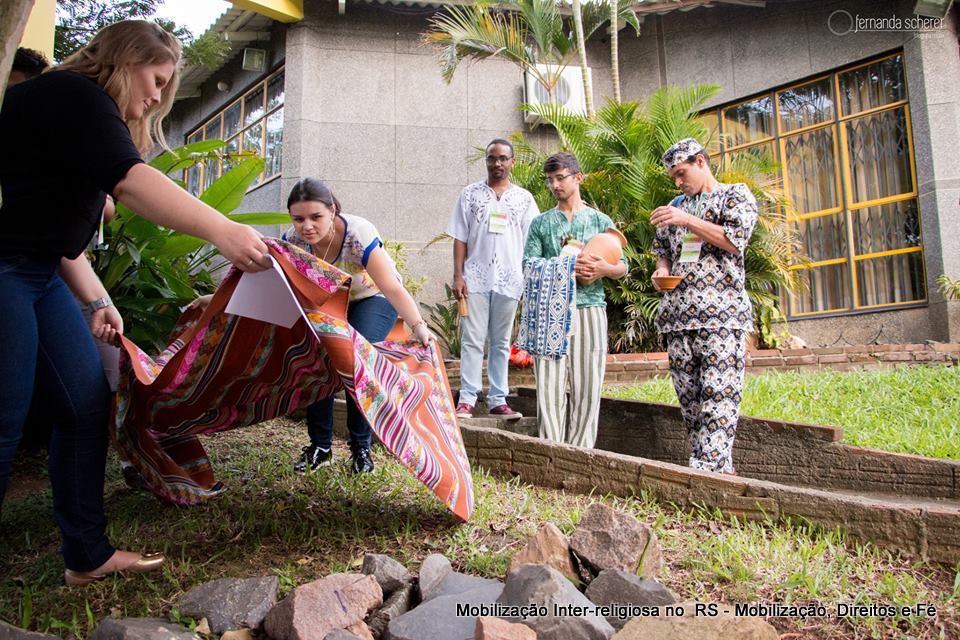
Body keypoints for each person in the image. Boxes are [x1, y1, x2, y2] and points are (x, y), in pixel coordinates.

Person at [0, 20, 271, 587]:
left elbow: (51, 234)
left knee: (85, 406)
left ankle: (86, 555)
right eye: (156, 80)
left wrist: (96, 298)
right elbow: (129, 181)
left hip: (42, 273)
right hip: (8, 269)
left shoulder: (78, 110)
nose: (156, 97)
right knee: (5, 417)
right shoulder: (75, 93)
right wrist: (222, 230)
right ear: (125, 60)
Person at [281, 178, 435, 473]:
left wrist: (418, 325)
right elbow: (271, 283)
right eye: (299, 219)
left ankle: (361, 449)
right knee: (319, 358)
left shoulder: (358, 233)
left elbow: (391, 287)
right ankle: (320, 446)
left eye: (316, 217)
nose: (307, 226)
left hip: (373, 298)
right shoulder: (293, 241)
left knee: (356, 359)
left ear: (333, 210)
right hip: (329, 303)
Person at [651, 138, 758, 474]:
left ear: (700, 162)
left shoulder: (734, 195)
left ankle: (711, 471)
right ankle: (706, 469)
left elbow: (734, 240)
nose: (678, 183)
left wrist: (687, 220)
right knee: (691, 404)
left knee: (719, 398)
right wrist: (661, 271)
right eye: (673, 177)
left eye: (681, 174)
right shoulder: (675, 206)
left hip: (721, 317)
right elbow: (662, 251)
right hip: (678, 318)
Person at [523, 152, 627, 449]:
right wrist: (566, 265)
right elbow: (528, 265)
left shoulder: (600, 221)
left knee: (588, 384)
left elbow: (623, 266)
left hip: (589, 308)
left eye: (560, 178)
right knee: (549, 386)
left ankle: (582, 453)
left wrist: (603, 269)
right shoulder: (541, 223)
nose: (554, 185)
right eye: (550, 180)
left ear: (578, 177)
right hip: (549, 313)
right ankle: (551, 450)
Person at [448, 138, 539, 420]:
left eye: (502, 158)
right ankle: (467, 398)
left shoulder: (524, 199)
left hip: (510, 280)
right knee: (472, 340)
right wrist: (458, 275)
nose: (497, 163)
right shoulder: (470, 195)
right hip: (475, 278)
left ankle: (498, 399)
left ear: (512, 162)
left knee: (501, 342)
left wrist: (528, 279)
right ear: (486, 161)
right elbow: (460, 237)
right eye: (491, 158)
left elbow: (531, 240)